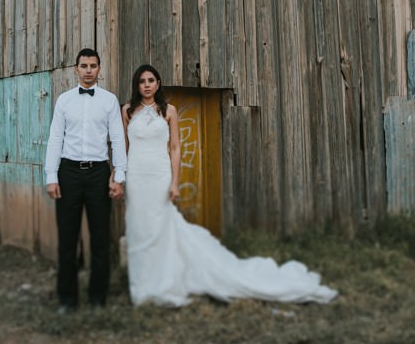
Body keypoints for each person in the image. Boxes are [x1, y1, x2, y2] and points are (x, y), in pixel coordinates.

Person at [121, 63, 339, 307]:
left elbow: (175, 148)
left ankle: (164, 283)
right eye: (142, 81)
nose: (147, 85)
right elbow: (124, 149)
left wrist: (175, 182)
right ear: (136, 85)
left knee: (161, 230)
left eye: (151, 80)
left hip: (160, 177)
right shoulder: (128, 111)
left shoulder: (168, 110)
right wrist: (117, 176)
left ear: (158, 83)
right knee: (139, 230)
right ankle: (142, 287)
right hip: (136, 178)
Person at [44, 48, 127, 312]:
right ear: (76, 69)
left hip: (98, 174)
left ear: (99, 69)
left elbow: (117, 139)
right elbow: (55, 138)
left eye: (93, 65)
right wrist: (51, 176)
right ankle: (68, 300)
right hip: (68, 173)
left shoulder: (109, 101)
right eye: (84, 65)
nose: (89, 70)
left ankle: (98, 299)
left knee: (101, 239)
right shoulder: (64, 101)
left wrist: (119, 176)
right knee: (68, 240)